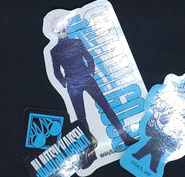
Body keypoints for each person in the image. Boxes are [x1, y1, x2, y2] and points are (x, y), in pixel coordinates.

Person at [49, 17, 135, 147]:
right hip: (73, 84)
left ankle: (125, 136)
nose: (62, 33)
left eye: (64, 29)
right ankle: (90, 147)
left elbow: (89, 58)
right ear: (54, 32)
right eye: (59, 31)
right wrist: (65, 83)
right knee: (81, 117)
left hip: (87, 78)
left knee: (106, 107)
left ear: (67, 28)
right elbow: (56, 71)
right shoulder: (54, 51)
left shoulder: (77, 42)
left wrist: (91, 72)